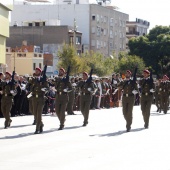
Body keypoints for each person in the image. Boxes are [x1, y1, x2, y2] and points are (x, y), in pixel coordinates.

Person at [31, 67, 48, 134]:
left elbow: (47, 88)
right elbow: (30, 87)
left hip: (41, 98)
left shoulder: (43, 79)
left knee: (39, 114)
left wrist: (44, 89)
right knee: (35, 113)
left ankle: (37, 128)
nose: (36, 72)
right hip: (34, 98)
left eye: (37, 71)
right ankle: (41, 124)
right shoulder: (33, 80)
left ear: (40, 72)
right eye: (35, 71)